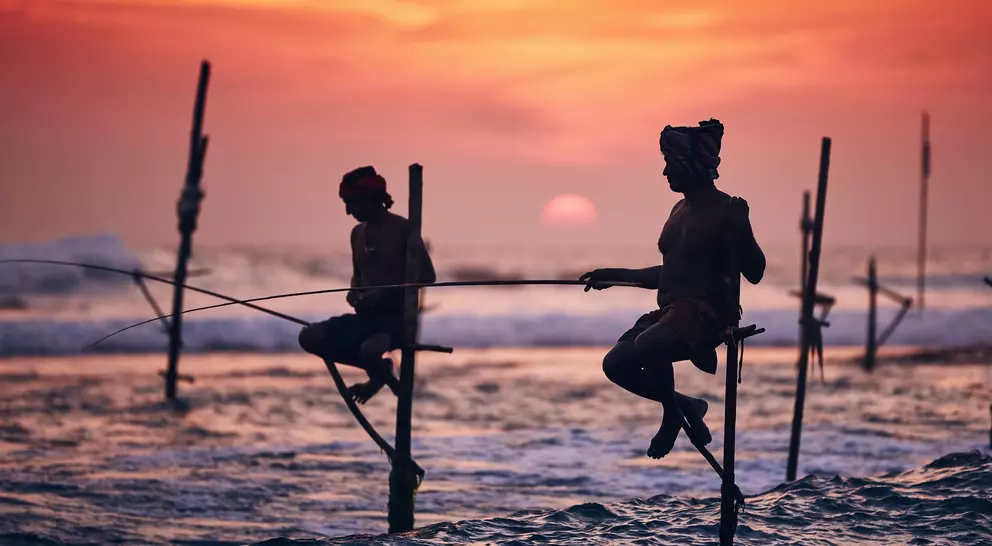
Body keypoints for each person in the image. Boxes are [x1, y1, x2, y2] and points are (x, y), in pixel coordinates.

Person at [580, 119, 765, 459]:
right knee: (616, 364)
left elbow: (756, 272)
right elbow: (672, 274)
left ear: (691, 166)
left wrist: (744, 227)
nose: (665, 172)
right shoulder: (678, 210)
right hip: (672, 312)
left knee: (650, 344)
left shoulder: (726, 212)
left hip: (708, 315)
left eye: (670, 163)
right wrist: (616, 275)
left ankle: (671, 419)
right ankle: (686, 406)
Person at [298, 166, 436, 404]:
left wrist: (382, 294)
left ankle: (382, 379)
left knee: (369, 350)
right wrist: (354, 292)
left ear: (370, 198)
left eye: (351, 203)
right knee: (309, 337)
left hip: (395, 323)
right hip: (365, 320)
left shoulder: (404, 229)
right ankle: (382, 373)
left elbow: (427, 276)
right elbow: (357, 276)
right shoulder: (356, 234)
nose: (348, 211)